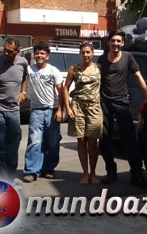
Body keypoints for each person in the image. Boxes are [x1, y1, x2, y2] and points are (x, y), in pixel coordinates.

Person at [97, 29, 147, 188]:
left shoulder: (128, 57)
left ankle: (136, 173)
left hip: (121, 102)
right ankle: (111, 172)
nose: (115, 44)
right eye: (113, 41)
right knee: (105, 139)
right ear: (108, 42)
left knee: (129, 139)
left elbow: (138, 76)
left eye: (118, 41)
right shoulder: (102, 59)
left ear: (122, 43)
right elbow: (95, 78)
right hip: (104, 103)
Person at [0, 38, 28, 183]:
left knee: (13, 146)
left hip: (14, 111)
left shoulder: (23, 62)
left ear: (17, 51)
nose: (6, 53)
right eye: (5, 50)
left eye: (10, 51)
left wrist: (23, 92)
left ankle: (10, 176)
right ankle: (3, 178)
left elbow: (25, 76)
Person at [22, 41, 63, 183]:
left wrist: (60, 110)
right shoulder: (29, 69)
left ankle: (49, 169)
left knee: (52, 143)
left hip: (52, 110)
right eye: (37, 53)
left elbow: (61, 91)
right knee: (35, 142)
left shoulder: (54, 71)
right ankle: (32, 171)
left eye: (42, 53)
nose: (39, 55)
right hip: (36, 111)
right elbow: (23, 80)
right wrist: (22, 92)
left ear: (47, 56)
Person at [63, 41, 103, 186]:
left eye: (88, 52)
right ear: (80, 54)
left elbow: (105, 85)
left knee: (93, 142)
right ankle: (85, 173)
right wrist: (68, 108)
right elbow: (65, 88)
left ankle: (93, 173)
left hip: (95, 108)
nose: (85, 55)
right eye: (83, 52)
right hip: (78, 107)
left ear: (92, 53)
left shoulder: (99, 67)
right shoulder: (74, 69)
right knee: (81, 141)